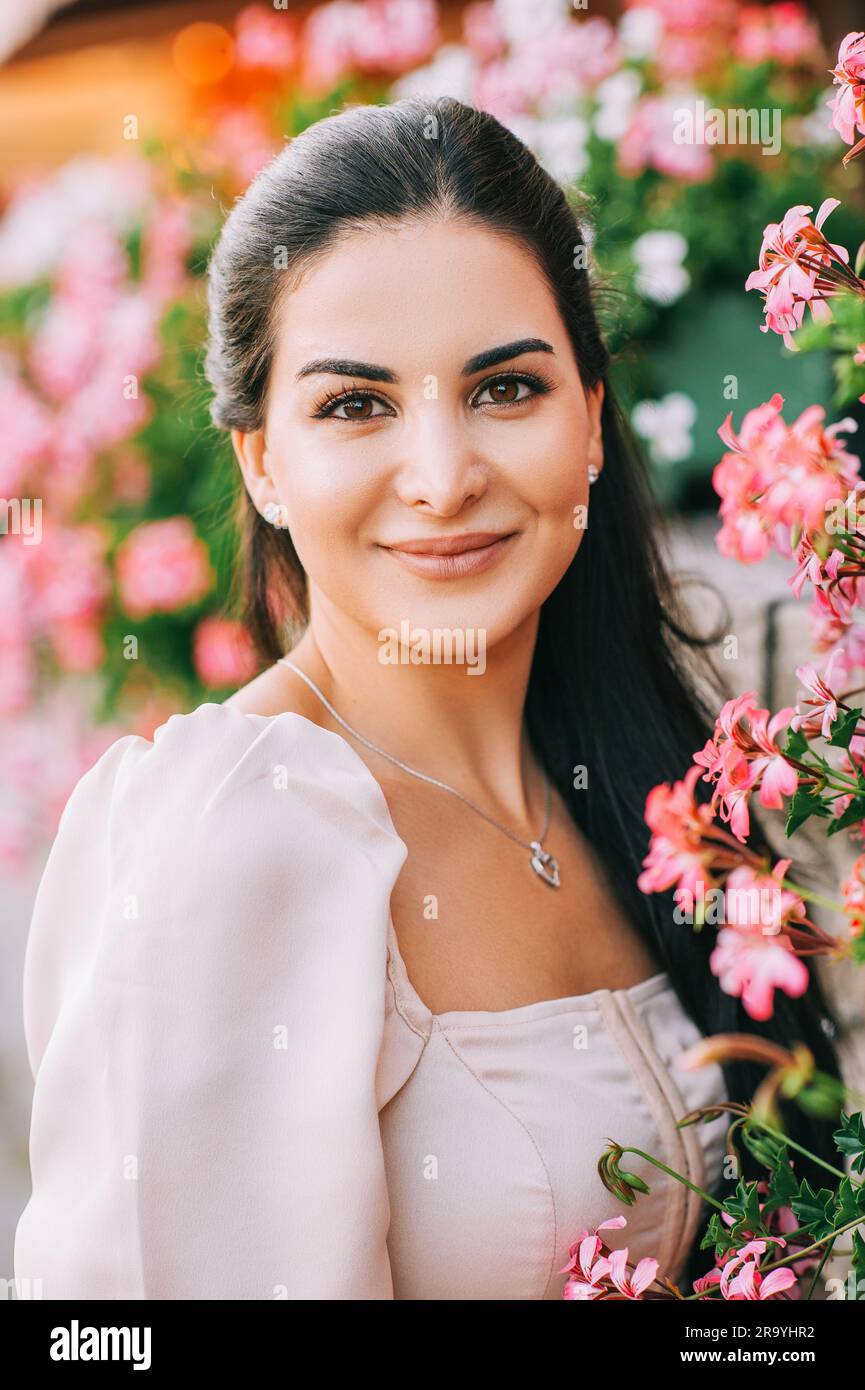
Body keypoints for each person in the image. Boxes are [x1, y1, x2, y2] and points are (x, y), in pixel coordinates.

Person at [14, 96, 843, 1300]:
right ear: (262, 462)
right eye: (356, 405)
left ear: (593, 417)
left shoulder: (650, 770)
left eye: (505, 389)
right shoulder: (227, 830)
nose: (445, 478)